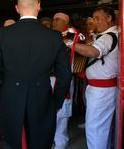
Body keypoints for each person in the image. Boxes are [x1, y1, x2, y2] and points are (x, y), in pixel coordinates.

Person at [0, 0, 72, 148]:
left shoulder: (3, 34)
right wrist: (56, 103)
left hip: (10, 100)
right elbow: (65, 75)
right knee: (40, 143)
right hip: (42, 100)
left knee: (11, 143)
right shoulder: (54, 36)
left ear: (17, 8)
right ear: (38, 6)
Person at [64, 6, 118, 149]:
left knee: (95, 129)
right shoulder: (112, 34)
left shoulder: (108, 37)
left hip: (101, 91)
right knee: (103, 127)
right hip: (103, 89)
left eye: (97, 18)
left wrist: (69, 43)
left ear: (109, 18)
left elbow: (94, 52)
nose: (94, 22)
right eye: (93, 18)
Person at [52, 12, 74, 149]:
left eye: (57, 20)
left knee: (62, 111)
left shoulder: (72, 36)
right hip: (48, 79)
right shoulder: (51, 36)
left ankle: (61, 142)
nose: (54, 22)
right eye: (54, 20)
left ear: (66, 22)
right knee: (50, 111)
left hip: (63, 78)